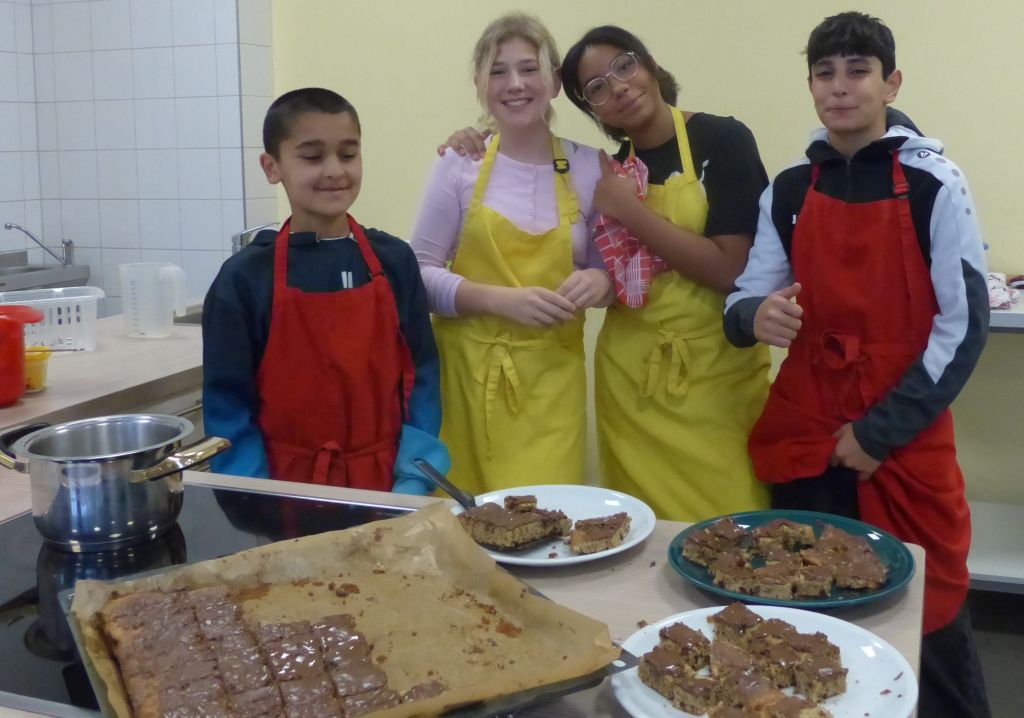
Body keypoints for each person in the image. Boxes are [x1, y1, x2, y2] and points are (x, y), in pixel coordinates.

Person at [724, 12, 990, 717]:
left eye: (857, 71)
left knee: (929, 610)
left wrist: (876, 434)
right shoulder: (789, 188)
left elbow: (964, 327)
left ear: (890, 83)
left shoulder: (935, 183)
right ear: (810, 85)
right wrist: (756, 317)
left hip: (902, 431)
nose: (839, 87)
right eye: (824, 73)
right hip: (806, 424)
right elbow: (746, 296)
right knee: (810, 608)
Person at [203, 88, 448, 494]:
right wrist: (256, 498)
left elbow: (420, 375)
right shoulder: (244, 279)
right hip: (282, 491)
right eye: (313, 157)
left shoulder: (394, 261)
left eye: (348, 154)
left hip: (386, 485)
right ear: (272, 167)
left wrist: (414, 479)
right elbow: (228, 406)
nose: (334, 170)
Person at [410, 13, 612, 495]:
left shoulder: (590, 167)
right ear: (480, 86)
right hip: (464, 385)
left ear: (555, 82)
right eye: (498, 71)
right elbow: (417, 275)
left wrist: (600, 282)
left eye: (529, 68)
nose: (515, 84)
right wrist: (501, 300)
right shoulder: (459, 163)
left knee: (547, 517)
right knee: (464, 526)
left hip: (552, 389)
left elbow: (613, 271)